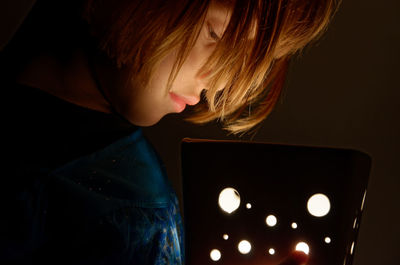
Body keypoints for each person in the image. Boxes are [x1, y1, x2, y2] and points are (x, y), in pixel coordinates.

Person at [0, 0, 339, 264]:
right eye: (215, 34)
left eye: (240, 62)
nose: (218, 84)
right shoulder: (132, 214)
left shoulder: (137, 208)